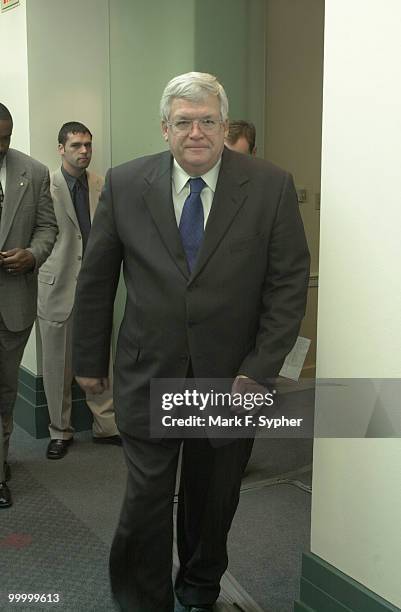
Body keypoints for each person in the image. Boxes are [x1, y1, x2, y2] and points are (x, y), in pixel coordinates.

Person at [72, 72, 310, 611]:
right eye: (184, 122)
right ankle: (141, 599)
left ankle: (199, 591)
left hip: (231, 378)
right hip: (148, 372)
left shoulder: (269, 185)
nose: (196, 132)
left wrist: (260, 369)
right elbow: (97, 277)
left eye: (207, 121)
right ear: (165, 129)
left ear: (225, 126)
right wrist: (88, 360)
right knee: (146, 502)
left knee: (211, 501)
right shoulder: (128, 184)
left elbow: (287, 285)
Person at [37, 122, 120, 460]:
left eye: (88, 145)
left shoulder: (103, 184)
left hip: (96, 288)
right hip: (57, 286)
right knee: (58, 364)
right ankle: (60, 431)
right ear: (61, 148)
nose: (84, 151)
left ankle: (106, 426)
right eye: (76, 145)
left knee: (101, 357)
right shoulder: (46, 186)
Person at [0, 103, 57, 508]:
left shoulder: (32, 171)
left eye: (7, 137)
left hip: (13, 302)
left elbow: (47, 227)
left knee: (4, 393)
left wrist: (33, 255)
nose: (2, 146)